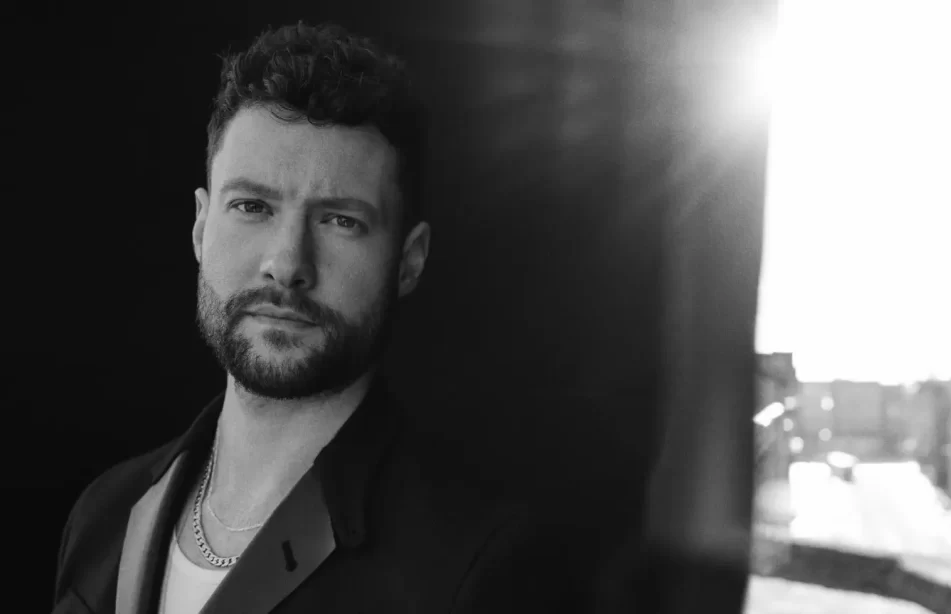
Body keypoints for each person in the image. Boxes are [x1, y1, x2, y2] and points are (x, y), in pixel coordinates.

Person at [53, 21, 598, 614]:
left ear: (409, 261)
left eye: (340, 221)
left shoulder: (480, 567)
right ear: (201, 227)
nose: (287, 264)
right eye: (251, 206)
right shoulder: (105, 512)